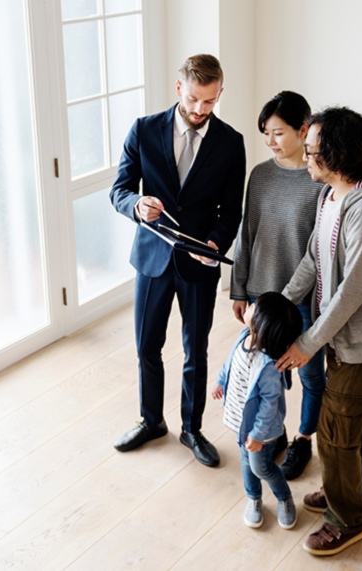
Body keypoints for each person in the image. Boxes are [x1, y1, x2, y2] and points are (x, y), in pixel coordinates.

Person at [275, 107, 362, 556]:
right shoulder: (330, 196)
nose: (305, 157)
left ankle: (345, 518)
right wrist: (281, 302)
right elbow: (314, 258)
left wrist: (307, 345)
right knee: (354, 420)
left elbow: (351, 292)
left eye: (312, 151)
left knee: (334, 430)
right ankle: (358, 495)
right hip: (341, 337)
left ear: (335, 155)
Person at [110, 55, 247, 468]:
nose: (199, 110)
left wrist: (213, 242)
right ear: (178, 89)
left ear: (219, 93)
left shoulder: (230, 142)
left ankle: (192, 428)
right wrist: (137, 205)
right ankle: (152, 421)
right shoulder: (143, 130)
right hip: (152, 257)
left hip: (198, 264)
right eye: (192, 100)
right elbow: (119, 190)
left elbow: (231, 212)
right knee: (147, 345)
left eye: (209, 102)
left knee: (196, 350)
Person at [229, 91, 327, 480]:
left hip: (301, 300)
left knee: (308, 373)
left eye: (278, 133)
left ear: (304, 130)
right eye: (266, 133)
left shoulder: (319, 180)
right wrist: (239, 290)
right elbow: (247, 234)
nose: (270, 142)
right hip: (260, 294)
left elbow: (320, 251)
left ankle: (304, 439)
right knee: (267, 371)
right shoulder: (260, 175)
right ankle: (277, 432)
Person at [211, 292, 302, 530]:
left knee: (261, 467)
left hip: (259, 430)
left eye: (254, 307)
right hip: (242, 422)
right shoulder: (245, 336)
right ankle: (253, 498)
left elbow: (268, 405)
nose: (250, 306)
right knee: (245, 461)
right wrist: (221, 381)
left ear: (262, 326)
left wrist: (258, 435)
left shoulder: (269, 367)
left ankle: (284, 497)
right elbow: (230, 362)